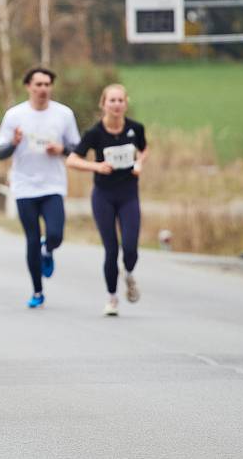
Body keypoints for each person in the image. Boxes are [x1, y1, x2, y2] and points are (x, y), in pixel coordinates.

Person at [0, 67, 80, 309]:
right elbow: (1, 152)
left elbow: (77, 149)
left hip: (53, 184)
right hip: (24, 186)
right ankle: (37, 290)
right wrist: (15, 142)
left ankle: (48, 248)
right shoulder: (15, 115)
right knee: (31, 238)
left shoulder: (64, 114)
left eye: (47, 84)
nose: (43, 89)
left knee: (55, 234)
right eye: (38, 84)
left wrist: (61, 149)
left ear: (51, 87)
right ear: (28, 87)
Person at [66, 84, 148, 316]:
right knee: (111, 249)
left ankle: (129, 274)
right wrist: (97, 166)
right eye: (112, 100)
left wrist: (140, 163)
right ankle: (112, 298)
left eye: (120, 100)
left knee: (130, 247)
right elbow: (72, 160)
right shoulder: (94, 133)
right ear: (103, 104)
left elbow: (144, 149)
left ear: (126, 103)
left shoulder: (135, 128)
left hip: (129, 194)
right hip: (103, 196)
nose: (116, 105)